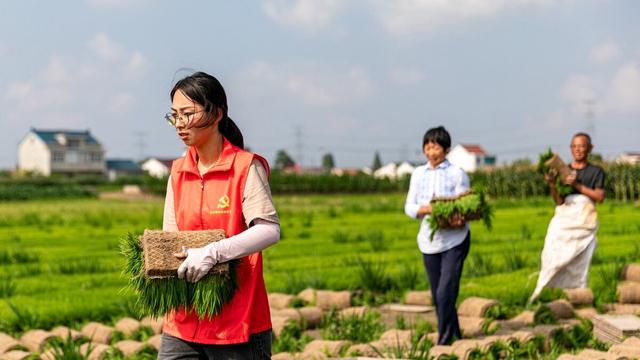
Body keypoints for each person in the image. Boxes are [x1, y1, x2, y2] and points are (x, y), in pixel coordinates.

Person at [158, 71, 280, 359]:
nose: (179, 124)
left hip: (237, 321)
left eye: (188, 114)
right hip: (183, 320)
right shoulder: (177, 172)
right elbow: (170, 235)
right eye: (174, 115)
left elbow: (268, 229)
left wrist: (213, 252)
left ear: (216, 114)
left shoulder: (245, 167)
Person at [404, 126, 471, 345]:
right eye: (428, 146)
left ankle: (443, 341)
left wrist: (460, 216)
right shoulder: (418, 174)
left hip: (455, 240)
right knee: (439, 295)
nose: (431, 151)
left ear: (446, 149)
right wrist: (426, 209)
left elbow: (466, 205)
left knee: (445, 292)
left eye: (436, 146)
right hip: (428, 241)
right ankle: (456, 334)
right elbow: (409, 206)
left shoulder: (457, 174)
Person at [530, 132, 605, 302]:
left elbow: (599, 197)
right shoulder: (564, 171)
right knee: (551, 254)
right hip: (564, 220)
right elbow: (559, 201)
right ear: (571, 149)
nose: (578, 150)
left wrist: (576, 185)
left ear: (590, 148)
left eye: (582, 146)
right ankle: (548, 294)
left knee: (578, 263)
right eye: (575, 146)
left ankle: (578, 297)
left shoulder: (596, 172)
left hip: (584, 220)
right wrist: (552, 184)